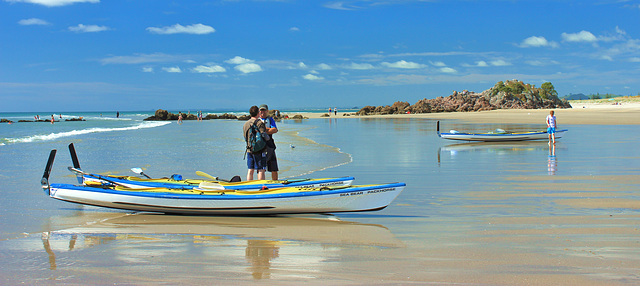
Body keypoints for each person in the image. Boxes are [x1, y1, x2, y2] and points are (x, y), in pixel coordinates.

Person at [243, 105, 269, 181]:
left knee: (250, 170)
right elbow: (264, 135)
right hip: (259, 150)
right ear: (258, 113)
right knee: (261, 169)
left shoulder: (246, 124)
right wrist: (268, 138)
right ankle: (261, 186)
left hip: (249, 149)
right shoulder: (259, 122)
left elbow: (245, 136)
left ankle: (249, 186)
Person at [259, 104, 279, 180]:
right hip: (260, 145)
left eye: (264, 110)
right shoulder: (257, 120)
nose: (262, 112)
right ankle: (261, 184)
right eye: (261, 110)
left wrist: (264, 130)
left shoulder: (270, 119)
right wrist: (268, 130)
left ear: (267, 111)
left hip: (270, 145)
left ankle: (275, 183)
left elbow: (275, 130)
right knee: (261, 169)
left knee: (274, 167)